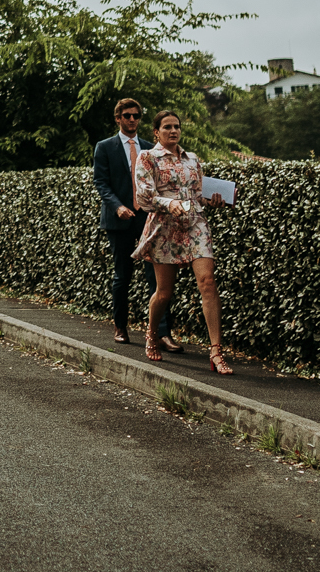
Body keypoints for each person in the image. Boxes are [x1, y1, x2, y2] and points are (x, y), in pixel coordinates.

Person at [131, 110, 233, 376]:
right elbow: (144, 197)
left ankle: (216, 352)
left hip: (195, 224)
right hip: (165, 227)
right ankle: (152, 333)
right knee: (164, 293)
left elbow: (198, 195)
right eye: (167, 127)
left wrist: (214, 200)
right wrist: (170, 203)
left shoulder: (192, 159)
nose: (173, 131)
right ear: (156, 132)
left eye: (176, 126)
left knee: (207, 282)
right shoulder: (147, 157)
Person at [91, 97, 179, 350]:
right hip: (119, 219)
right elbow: (101, 183)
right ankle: (120, 327)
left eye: (136, 115)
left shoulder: (151, 149)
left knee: (158, 278)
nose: (132, 119)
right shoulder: (104, 147)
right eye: (127, 115)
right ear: (118, 118)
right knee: (123, 275)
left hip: (149, 219)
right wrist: (117, 207)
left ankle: (162, 333)